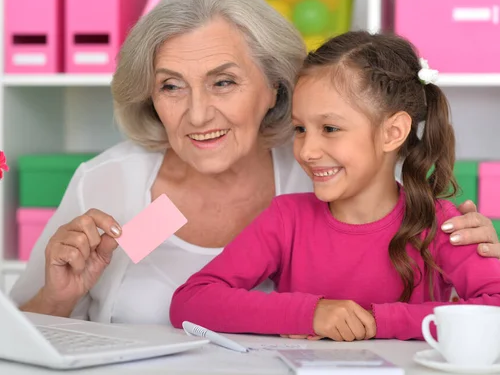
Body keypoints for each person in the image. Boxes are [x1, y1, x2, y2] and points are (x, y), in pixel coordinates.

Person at [10, 0, 500, 325]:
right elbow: (18, 332)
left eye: (224, 81)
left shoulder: (323, 173)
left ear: (274, 88)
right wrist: (60, 295)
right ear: (149, 98)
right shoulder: (107, 184)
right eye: (171, 86)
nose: (198, 114)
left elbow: (448, 284)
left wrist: (480, 254)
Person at [169, 31, 500, 342]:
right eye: (300, 129)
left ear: (392, 132)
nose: (307, 150)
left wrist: (377, 322)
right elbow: (190, 302)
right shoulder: (286, 219)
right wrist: (308, 314)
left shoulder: (441, 223)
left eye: (329, 128)